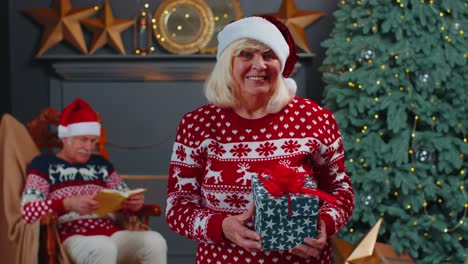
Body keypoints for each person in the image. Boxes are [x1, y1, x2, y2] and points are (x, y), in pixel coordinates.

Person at [165, 15, 354, 264]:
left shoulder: (314, 118)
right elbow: (177, 206)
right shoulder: (197, 125)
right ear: (227, 63)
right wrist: (221, 226)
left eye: (268, 55)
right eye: (246, 55)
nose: (259, 65)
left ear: (281, 63)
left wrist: (324, 224)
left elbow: (340, 191)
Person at [21, 98, 167, 264]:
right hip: (71, 236)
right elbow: (28, 210)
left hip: (111, 233)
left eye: (93, 141)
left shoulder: (101, 165)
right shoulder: (43, 165)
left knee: (155, 242)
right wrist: (67, 204)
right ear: (65, 138)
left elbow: (122, 196)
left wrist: (132, 204)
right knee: (103, 247)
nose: (89, 147)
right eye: (83, 139)